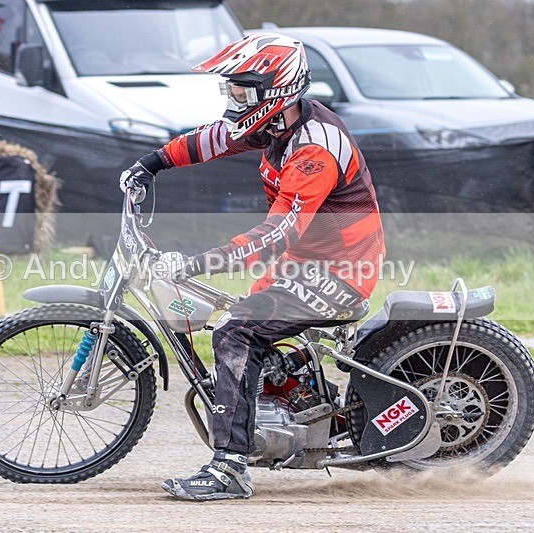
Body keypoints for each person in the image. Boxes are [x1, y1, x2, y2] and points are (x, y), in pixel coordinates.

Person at [119, 33, 385, 501]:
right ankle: (291, 405)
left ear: (275, 91)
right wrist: (152, 164)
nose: (232, 99)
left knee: (235, 329)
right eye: (231, 89)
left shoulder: (313, 150)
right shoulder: (277, 122)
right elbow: (214, 139)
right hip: (306, 262)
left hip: (340, 272)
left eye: (241, 90)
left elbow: (277, 233)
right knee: (248, 323)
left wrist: (196, 263)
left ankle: (230, 468)